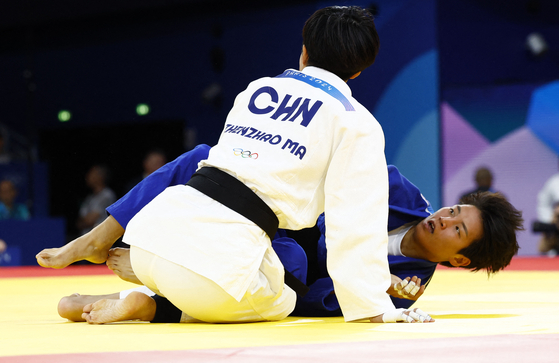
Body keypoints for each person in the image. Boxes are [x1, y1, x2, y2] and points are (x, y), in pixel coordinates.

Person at [37, 6, 431, 324]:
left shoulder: (258, 88)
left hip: (149, 237)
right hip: (215, 272)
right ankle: (146, 304)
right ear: (359, 71)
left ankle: (144, 279)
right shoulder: (355, 121)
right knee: (286, 298)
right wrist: (375, 306)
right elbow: (353, 225)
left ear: (304, 52)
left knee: (211, 174)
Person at [54, 145, 521, 323]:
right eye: (454, 209)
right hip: (276, 214)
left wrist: (373, 293)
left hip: (279, 263)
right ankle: (104, 233)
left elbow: (318, 301)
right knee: (205, 154)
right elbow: (324, 172)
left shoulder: (404, 291)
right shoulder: (396, 187)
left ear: (459, 259)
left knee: (287, 282)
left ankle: (148, 298)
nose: (443, 217)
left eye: (457, 229)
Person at [76, 165, 116, 238]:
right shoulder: (89, 197)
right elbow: (78, 223)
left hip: (100, 240)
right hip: (85, 239)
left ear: (100, 177)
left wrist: (84, 222)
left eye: (91, 174)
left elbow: (90, 220)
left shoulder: (107, 195)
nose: (88, 177)